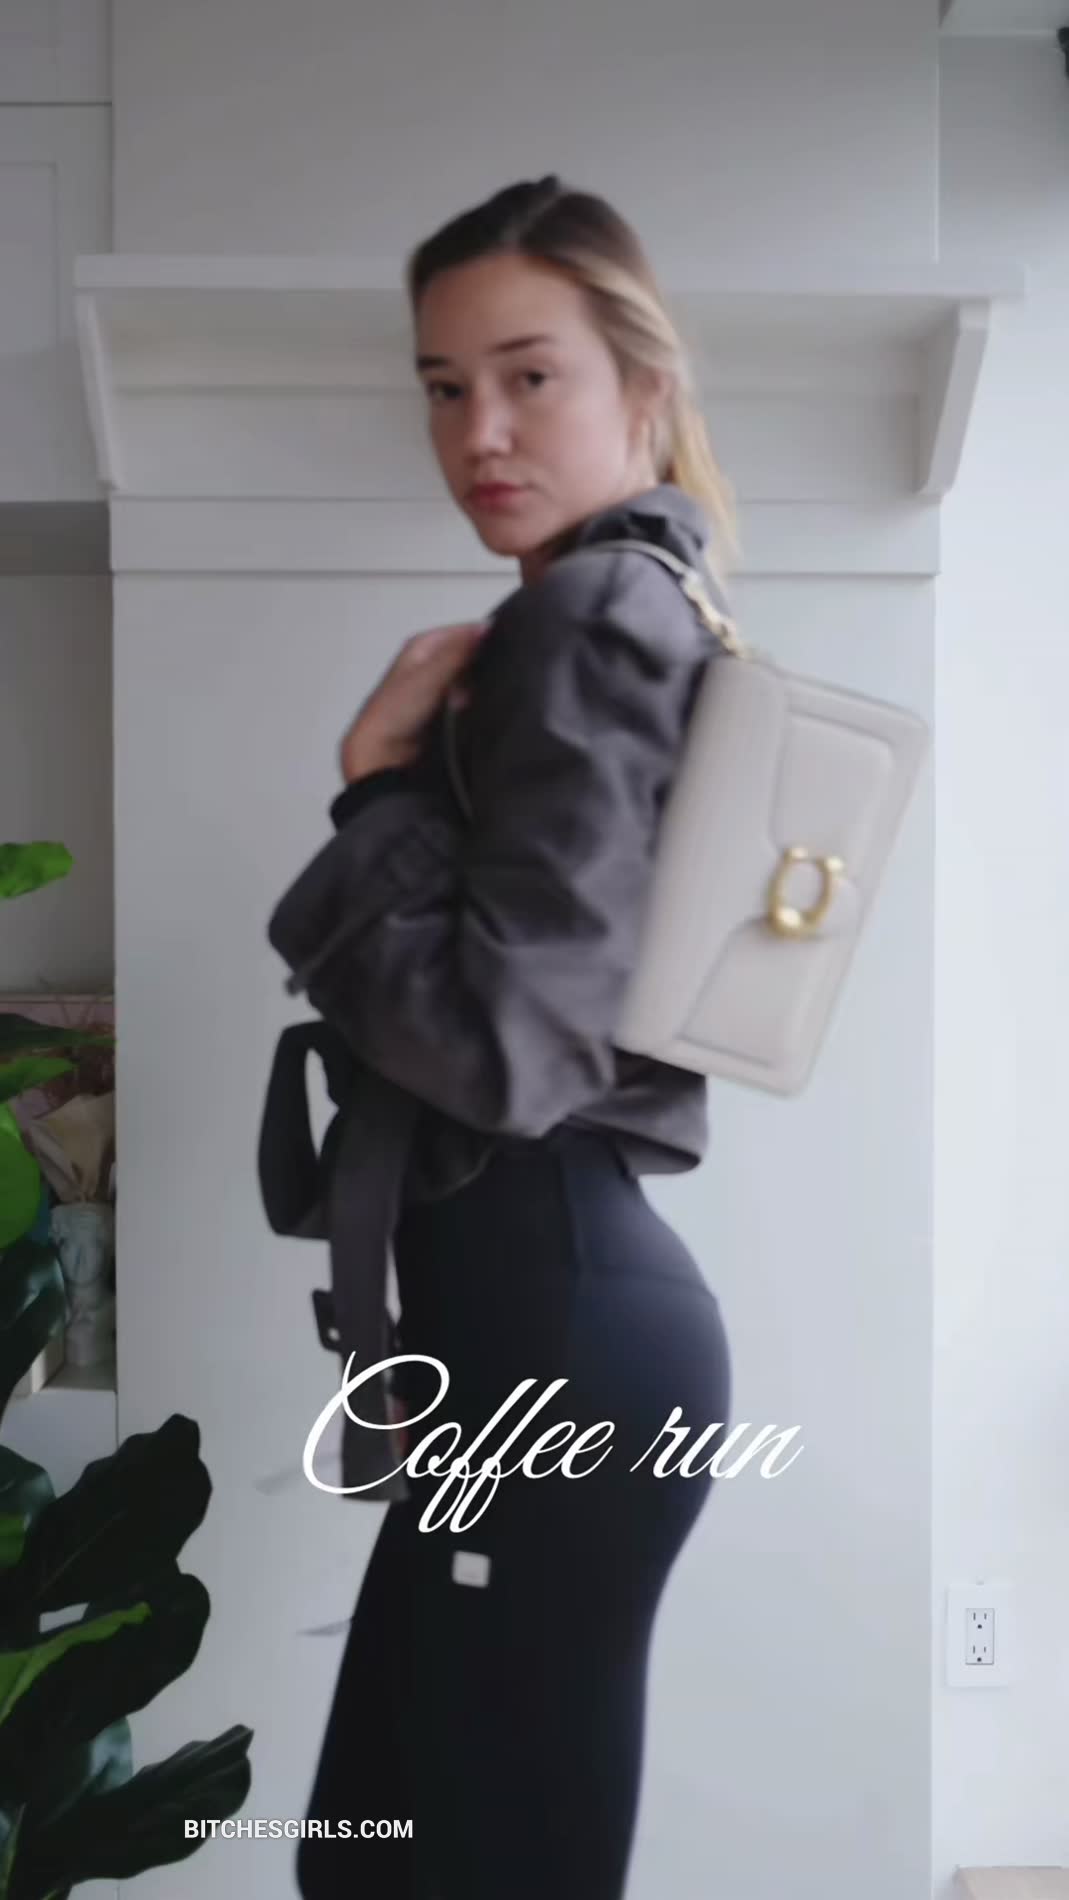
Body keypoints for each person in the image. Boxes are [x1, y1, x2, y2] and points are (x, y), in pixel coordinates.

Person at [287, 175, 735, 1900]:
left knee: (452, 1869)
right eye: (441, 384)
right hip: (547, 1318)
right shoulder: (632, 601)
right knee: (392, 1860)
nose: (476, 430)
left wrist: (377, 790)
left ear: (643, 385)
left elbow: (503, 1055)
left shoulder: (592, 612)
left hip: (554, 1325)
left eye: (528, 376)